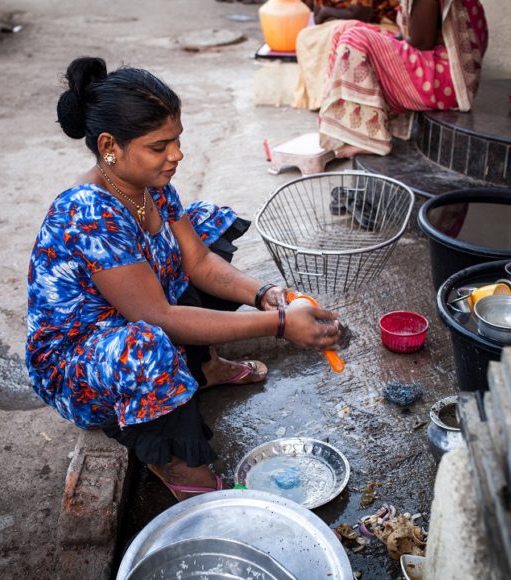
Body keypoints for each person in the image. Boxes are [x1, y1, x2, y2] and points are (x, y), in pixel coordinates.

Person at [26, 57, 342, 501]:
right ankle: (177, 463)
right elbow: (159, 316)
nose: (176, 155)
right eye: (160, 146)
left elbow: (199, 264)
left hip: (131, 315)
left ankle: (203, 367)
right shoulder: (89, 213)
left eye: (177, 140)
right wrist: (281, 324)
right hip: (79, 364)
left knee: (207, 226)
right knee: (148, 345)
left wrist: (265, 295)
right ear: (109, 145)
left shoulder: (149, 185)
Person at [318, 0, 489, 158]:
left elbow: (421, 42)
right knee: (345, 28)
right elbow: (409, 36)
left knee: (354, 38)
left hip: (446, 79)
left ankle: (372, 139)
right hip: (436, 65)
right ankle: (349, 127)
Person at [293, 0, 401, 111]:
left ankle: (339, 97)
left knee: (340, 29)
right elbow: (318, 18)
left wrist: (326, 11)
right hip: (341, 22)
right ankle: (320, 97)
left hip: (381, 24)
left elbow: (361, 15)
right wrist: (327, 13)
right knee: (305, 35)